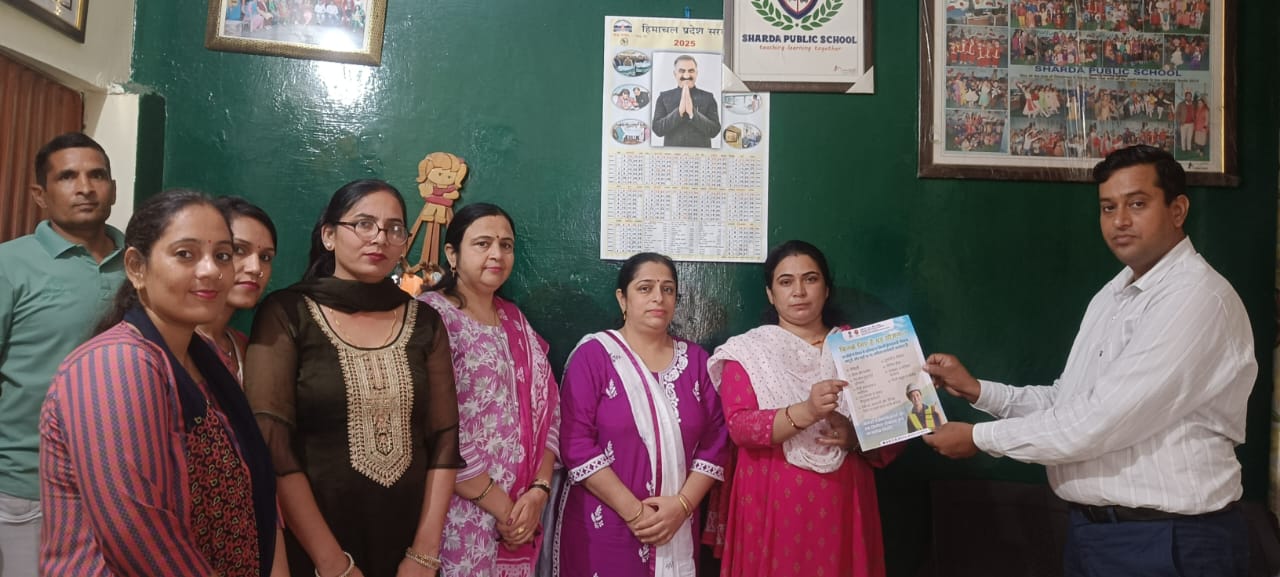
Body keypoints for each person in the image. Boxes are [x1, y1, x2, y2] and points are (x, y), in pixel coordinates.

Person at [923, 145, 1254, 577]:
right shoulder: (1112, 295)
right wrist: (978, 391)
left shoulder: (1195, 297)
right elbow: (1069, 402)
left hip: (1169, 540)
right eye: (1108, 207)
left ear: (1178, 210)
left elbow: (1100, 420)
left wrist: (979, 438)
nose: (1120, 221)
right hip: (1097, 535)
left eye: (1137, 204)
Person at [39, 189, 281, 576]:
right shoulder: (114, 363)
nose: (211, 270)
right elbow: (137, 536)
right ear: (136, 267)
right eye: (186, 254)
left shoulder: (205, 358)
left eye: (222, 255)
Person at [245, 179, 462, 577]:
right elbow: (273, 444)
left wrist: (424, 553)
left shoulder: (424, 321)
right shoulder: (288, 313)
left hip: (407, 545)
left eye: (394, 228)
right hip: (315, 546)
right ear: (329, 235)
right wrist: (331, 562)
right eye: (364, 224)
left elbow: (444, 439)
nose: (379, 238)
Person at [706, 241, 902, 577]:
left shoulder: (863, 348)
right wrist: (808, 411)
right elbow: (740, 428)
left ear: (826, 289)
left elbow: (897, 431)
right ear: (770, 294)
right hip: (771, 498)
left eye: (810, 279)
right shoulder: (748, 352)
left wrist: (855, 437)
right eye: (786, 282)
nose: (799, 291)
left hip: (843, 499)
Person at [556, 252, 728, 577]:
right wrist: (635, 513)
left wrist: (682, 506)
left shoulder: (696, 362)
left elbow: (716, 442)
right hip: (605, 525)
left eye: (667, 289)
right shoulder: (594, 356)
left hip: (676, 525)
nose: (658, 297)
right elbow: (576, 444)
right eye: (645, 288)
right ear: (622, 298)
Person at [0, 132, 124, 576]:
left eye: (97, 176)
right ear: (40, 194)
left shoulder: (142, 264)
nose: (85, 187)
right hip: (26, 488)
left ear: (113, 188)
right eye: (68, 176)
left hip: (120, 486)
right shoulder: (9, 265)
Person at [417, 203, 560, 576]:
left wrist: (539, 491)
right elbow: (434, 425)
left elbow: (550, 408)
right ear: (452, 254)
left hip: (521, 512)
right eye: (483, 243)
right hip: (456, 513)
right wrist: (504, 508)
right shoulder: (430, 317)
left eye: (505, 245)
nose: (497, 254)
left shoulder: (515, 319)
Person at [197, 196, 277, 383]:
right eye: (239, 250)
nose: (255, 268)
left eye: (265, 257)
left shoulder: (242, 346)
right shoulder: (176, 341)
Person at [650, 55, 722, 148]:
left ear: (696, 73)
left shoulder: (708, 97)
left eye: (691, 71)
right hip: (673, 155)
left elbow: (714, 131)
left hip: (701, 155)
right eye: (682, 71)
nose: (687, 75)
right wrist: (679, 112)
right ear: (675, 74)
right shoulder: (664, 97)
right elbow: (657, 130)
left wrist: (692, 114)